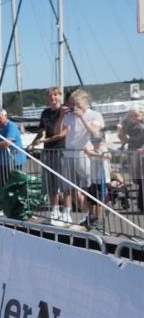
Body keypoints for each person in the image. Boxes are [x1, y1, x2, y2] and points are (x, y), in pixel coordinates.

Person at [59, 89, 104, 225]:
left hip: (86, 155)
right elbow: (59, 132)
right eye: (73, 104)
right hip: (69, 155)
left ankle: (96, 217)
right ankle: (87, 215)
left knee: (90, 189)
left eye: (78, 104)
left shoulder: (95, 115)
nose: (75, 107)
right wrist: (61, 116)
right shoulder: (69, 116)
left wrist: (82, 117)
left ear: (85, 101)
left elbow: (94, 131)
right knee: (71, 189)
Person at [28, 88, 66, 220]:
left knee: (64, 183)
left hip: (62, 150)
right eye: (50, 96)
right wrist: (33, 143)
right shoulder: (45, 113)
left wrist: (45, 139)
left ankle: (66, 211)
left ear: (60, 96)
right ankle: (54, 209)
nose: (53, 98)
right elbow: (41, 131)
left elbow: (63, 133)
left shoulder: (64, 111)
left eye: (55, 95)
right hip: (48, 150)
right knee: (51, 182)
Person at [118, 106, 144, 213]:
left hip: (140, 154)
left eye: (136, 115)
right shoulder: (129, 126)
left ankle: (141, 204)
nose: (133, 118)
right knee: (137, 180)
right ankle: (141, 204)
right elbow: (124, 139)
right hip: (133, 153)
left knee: (141, 180)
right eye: (131, 116)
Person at [83, 134, 111, 229]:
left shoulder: (103, 149)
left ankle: (100, 219)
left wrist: (94, 154)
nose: (95, 143)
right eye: (94, 141)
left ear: (102, 142)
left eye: (97, 141)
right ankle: (92, 217)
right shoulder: (91, 149)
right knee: (90, 199)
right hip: (93, 179)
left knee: (100, 201)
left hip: (102, 179)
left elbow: (108, 155)